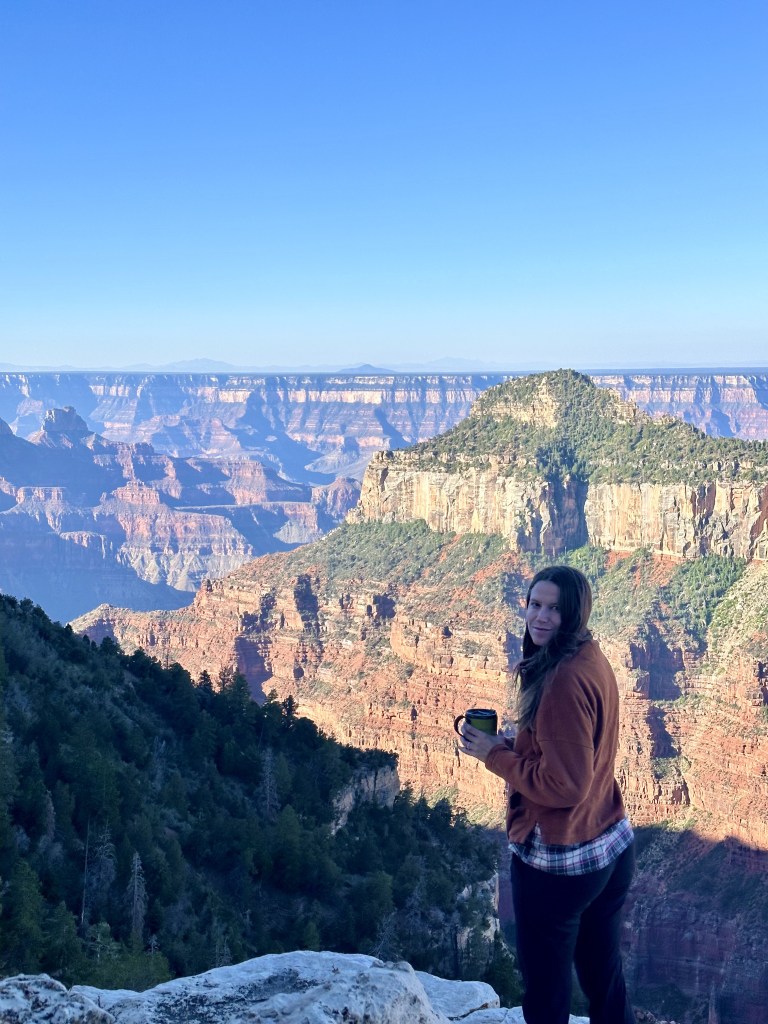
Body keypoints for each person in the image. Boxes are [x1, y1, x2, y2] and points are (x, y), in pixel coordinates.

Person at [457, 565, 635, 1024]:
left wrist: (492, 756)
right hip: (609, 846)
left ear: (573, 613)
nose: (541, 616)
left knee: (546, 996)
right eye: (536, 604)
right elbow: (575, 749)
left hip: (562, 863)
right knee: (605, 984)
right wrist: (521, 742)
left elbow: (566, 785)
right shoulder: (589, 656)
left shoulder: (561, 681)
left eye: (555, 609)